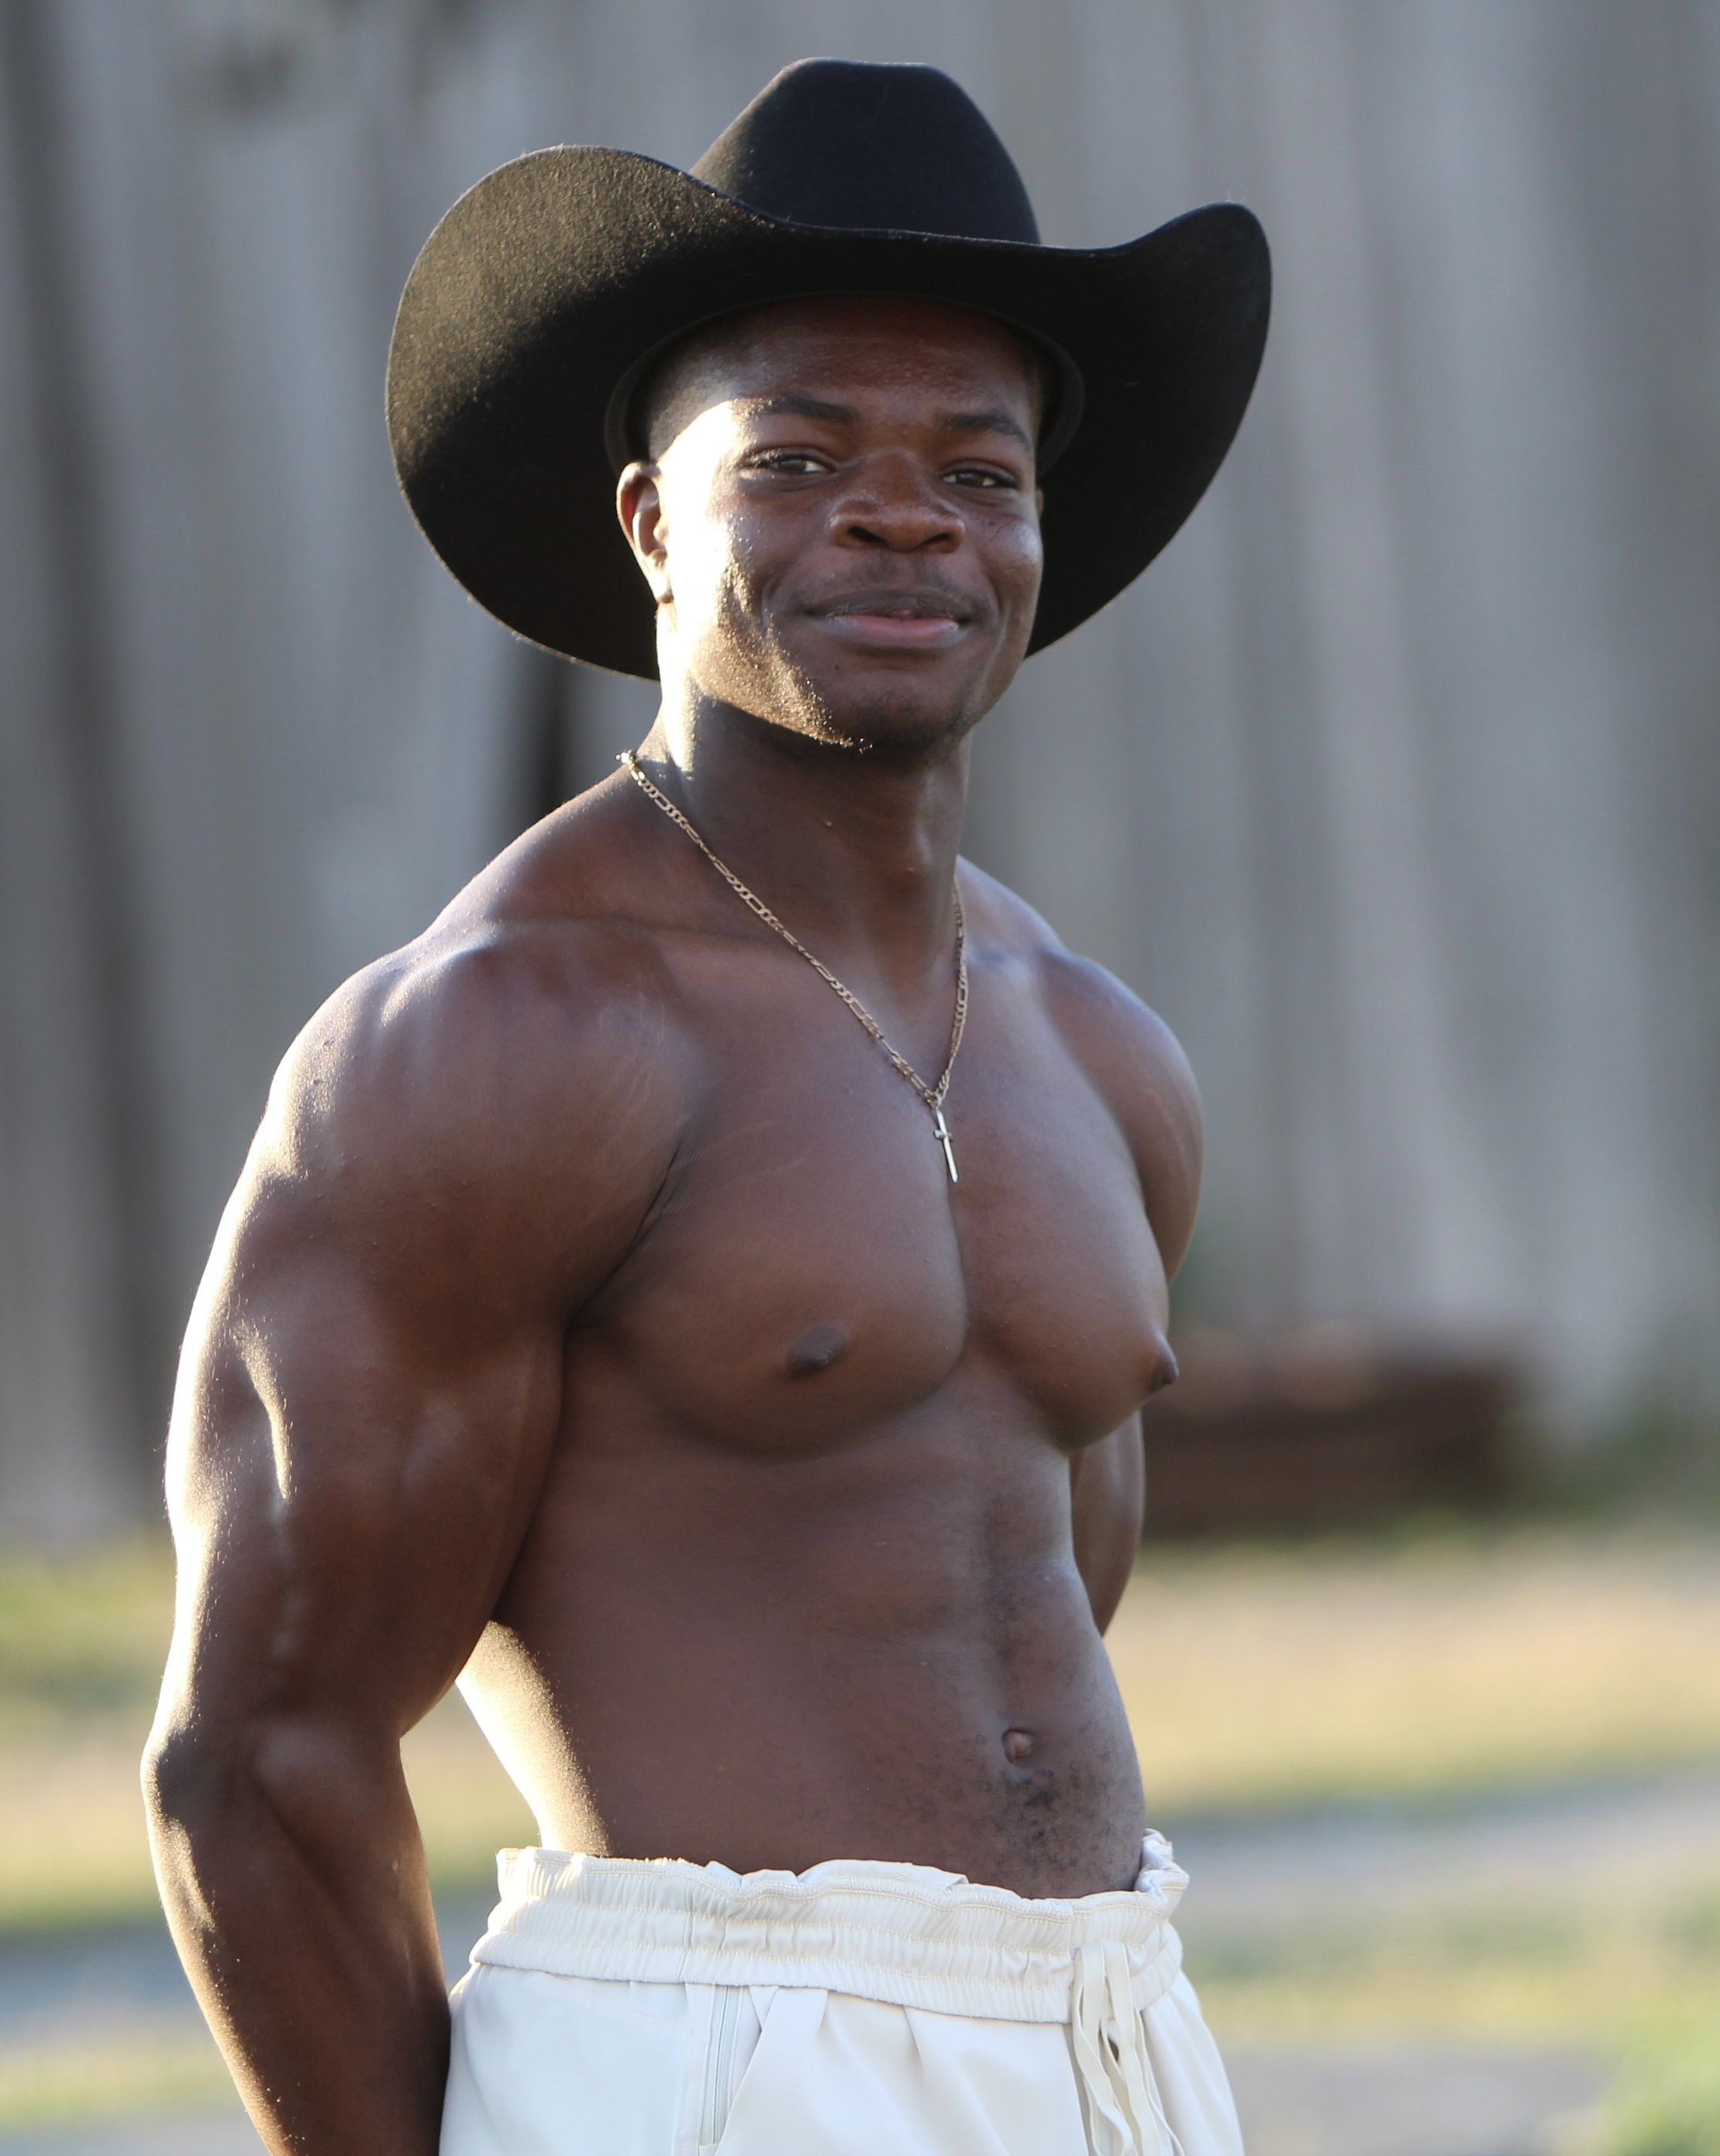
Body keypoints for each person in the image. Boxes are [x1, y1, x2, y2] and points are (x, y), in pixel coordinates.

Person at [143, 57, 1269, 2156]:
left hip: (1108, 2032)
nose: (905, 512)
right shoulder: (498, 1040)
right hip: (708, 2069)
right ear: (653, 518)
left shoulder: (1090, 1046)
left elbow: (997, 1595)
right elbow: (255, 1759)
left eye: (977, 466)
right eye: (800, 456)